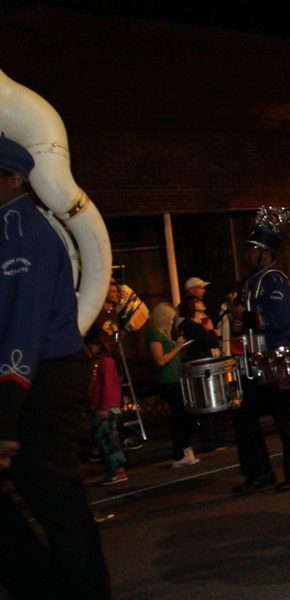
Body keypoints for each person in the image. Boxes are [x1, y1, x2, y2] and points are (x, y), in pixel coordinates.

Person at [0, 135, 111, 599]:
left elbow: (23, 325)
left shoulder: (24, 228)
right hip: (33, 376)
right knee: (50, 499)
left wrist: (6, 415)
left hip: (39, 378)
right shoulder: (12, 226)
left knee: (57, 502)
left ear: (14, 178)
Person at [231, 206, 290, 494]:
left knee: (286, 417)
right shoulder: (249, 282)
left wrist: (247, 315)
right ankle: (259, 472)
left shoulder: (276, 280)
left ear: (265, 252)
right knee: (243, 415)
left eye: (252, 249)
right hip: (253, 360)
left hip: (276, 360)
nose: (247, 254)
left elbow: (281, 321)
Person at [146, 303, 201, 467]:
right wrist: (177, 348)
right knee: (180, 417)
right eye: (170, 319)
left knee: (183, 416)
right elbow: (160, 360)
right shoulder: (154, 335)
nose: (172, 322)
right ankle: (180, 452)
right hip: (168, 381)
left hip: (176, 379)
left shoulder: (163, 334)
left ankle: (184, 450)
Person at [177, 295, 227, 452]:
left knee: (207, 402)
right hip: (200, 365)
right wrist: (210, 330)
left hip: (201, 364)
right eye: (197, 301)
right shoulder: (192, 325)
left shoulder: (192, 324)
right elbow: (212, 341)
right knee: (207, 402)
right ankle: (209, 439)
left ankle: (210, 437)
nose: (202, 302)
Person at [85, 330, 128, 486]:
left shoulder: (105, 362)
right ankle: (114, 469)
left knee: (109, 439)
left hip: (107, 407)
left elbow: (108, 386)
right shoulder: (98, 362)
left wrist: (104, 407)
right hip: (101, 406)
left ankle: (118, 470)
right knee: (103, 439)